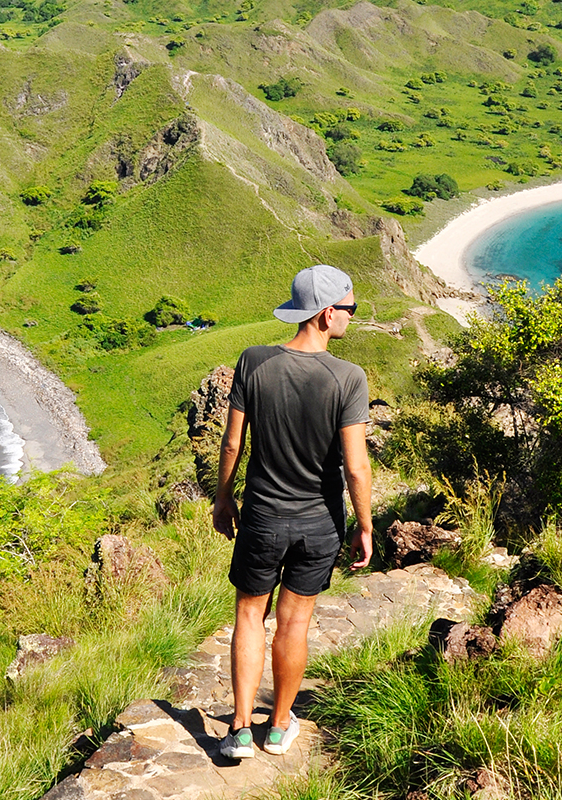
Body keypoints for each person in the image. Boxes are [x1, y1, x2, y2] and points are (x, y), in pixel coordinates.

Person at [211, 263, 373, 759]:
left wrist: (222, 497)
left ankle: (239, 728)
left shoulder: (254, 361)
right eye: (348, 309)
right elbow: (356, 468)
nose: (351, 317)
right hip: (318, 523)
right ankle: (279, 726)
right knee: (294, 623)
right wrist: (365, 525)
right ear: (326, 314)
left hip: (261, 515)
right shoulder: (347, 378)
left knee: (248, 615)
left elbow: (233, 442)